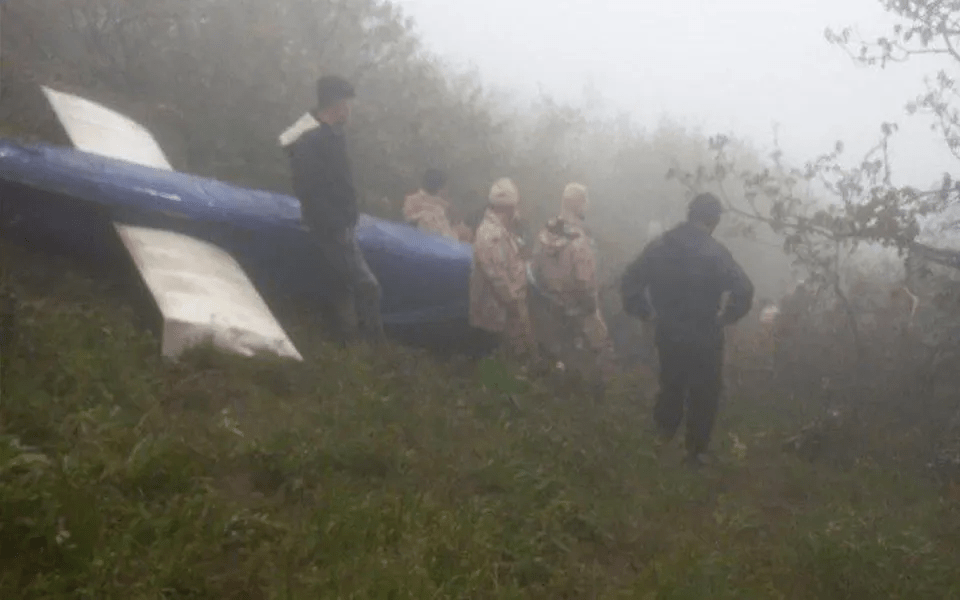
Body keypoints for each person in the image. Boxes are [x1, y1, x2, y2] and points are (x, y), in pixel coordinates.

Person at [620, 193, 754, 467]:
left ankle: (661, 442)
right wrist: (726, 317)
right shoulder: (716, 252)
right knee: (705, 392)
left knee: (671, 383)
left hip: (668, 330)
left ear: (689, 214)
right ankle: (695, 454)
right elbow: (744, 289)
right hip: (706, 332)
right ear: (714, 220)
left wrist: (646, 313)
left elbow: (630, 281)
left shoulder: (660, 245)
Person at [282, 75, 384, 344]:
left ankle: (344, 345)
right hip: (331, 227)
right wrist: (337, 224)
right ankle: (372, 346)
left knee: (340, 287)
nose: (350, 110)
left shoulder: (331, 136)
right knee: (367, 285)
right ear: (337, 104)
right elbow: (310, 189)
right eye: (347, 103)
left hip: (338, 225)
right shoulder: (311, 141)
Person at [528, 183, 617, 393]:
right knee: (603, 350)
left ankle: (558, 382)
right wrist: (592, 305)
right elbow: (584, 281)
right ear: (579, 204)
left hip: (550, 306)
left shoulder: (546, 232)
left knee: (560, 349)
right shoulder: (579, 240)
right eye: (586, 201)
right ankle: (597, 395)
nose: (588, 205)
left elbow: (534, 269)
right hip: (577, 306)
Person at [469, 178, 536, 357]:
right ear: (509, 208)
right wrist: (516, 308)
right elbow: (497, 278)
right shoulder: (491, 235)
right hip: (495, 320)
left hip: (503, 316)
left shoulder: (501, 231)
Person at [402, 169, 460, 240]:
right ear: (439, 187)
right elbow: (408, 222)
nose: (445, 190)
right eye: (444, 187)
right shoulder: (412, 200)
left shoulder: (443, 205)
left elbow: (448, 234)